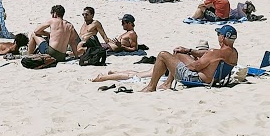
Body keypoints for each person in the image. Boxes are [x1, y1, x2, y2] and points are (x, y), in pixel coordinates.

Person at [91, 24, 239, 89]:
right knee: (179, 53)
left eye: (219, 34)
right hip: (213, 78)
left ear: (223, 37)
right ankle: (168, 82)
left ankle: (151, 87)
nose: (218, 36)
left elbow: (194, 67)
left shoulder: (214, 53)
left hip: (196, 79)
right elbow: (209, 55)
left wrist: (177, 62)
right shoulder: (233, 53)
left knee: (163, 55)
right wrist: (188, 52)